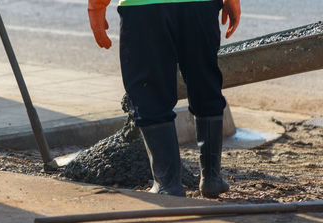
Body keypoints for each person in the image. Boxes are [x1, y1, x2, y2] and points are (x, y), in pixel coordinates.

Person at [88, 0, 240, 198]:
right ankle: (211, 178)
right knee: (205, 82)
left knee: (149, 90)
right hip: (199, 6)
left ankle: (168, 183)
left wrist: (96, 7)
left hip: (144, 7)